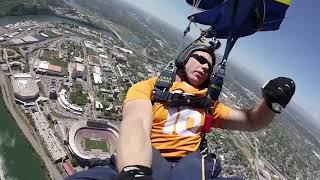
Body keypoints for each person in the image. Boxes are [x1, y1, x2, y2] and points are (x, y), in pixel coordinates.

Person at [67, 44, 295, 180]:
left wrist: (272, 103)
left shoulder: (208, 105)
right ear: (182, 60)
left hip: (192, 168)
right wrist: (134, 171)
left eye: (210, 66)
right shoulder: (151, 88)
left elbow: (251, 121)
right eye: (200, 59)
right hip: (144, 160)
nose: (206, 66)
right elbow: (136, 121)